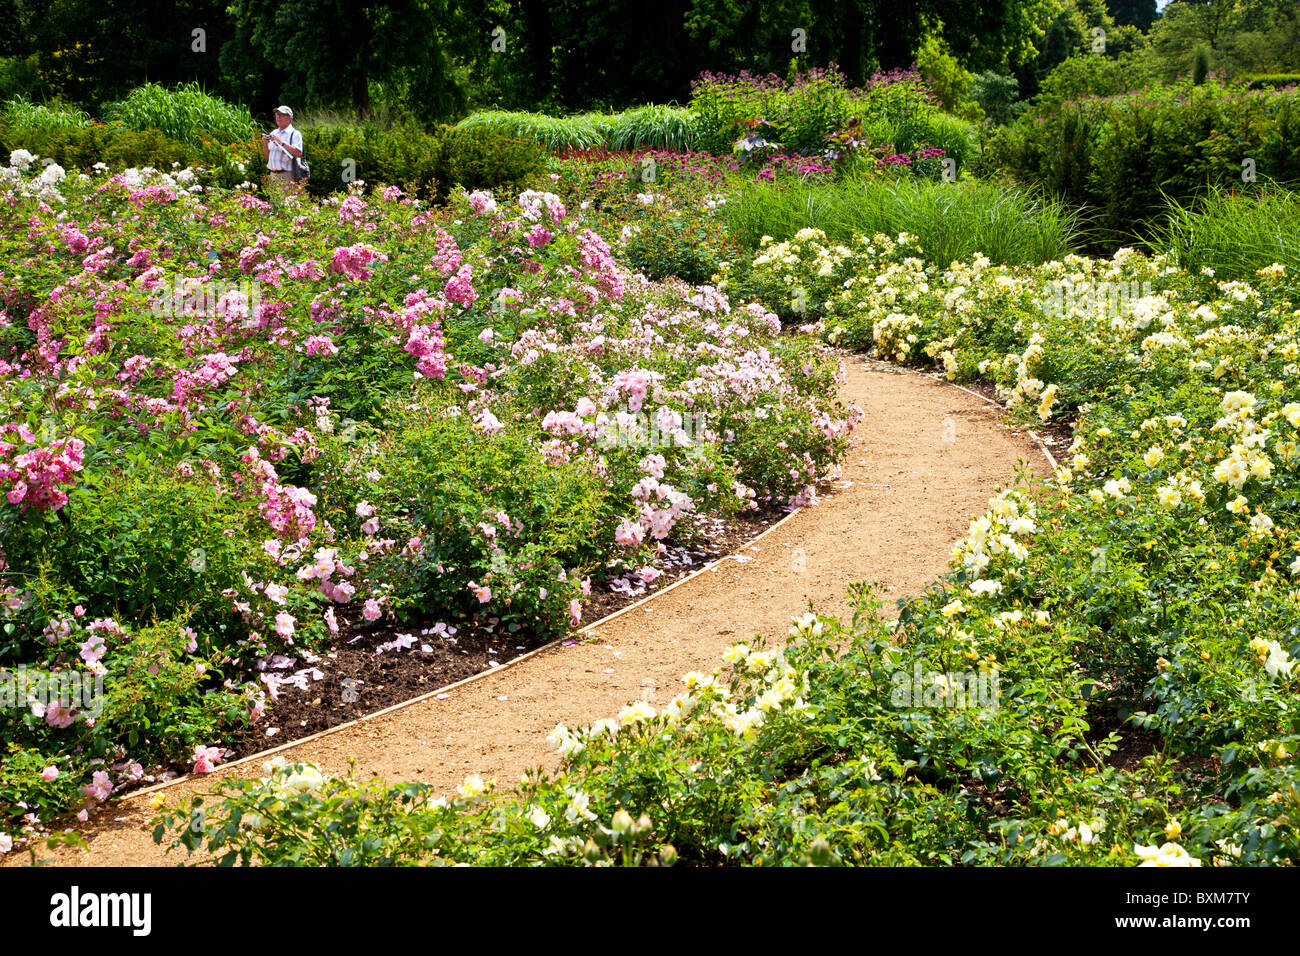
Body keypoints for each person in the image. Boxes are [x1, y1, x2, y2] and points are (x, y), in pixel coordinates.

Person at [261, 105, 304, 192]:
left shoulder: (294, 134)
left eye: (282, 115)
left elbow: (298, 153)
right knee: (273, 204)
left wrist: (281, 142)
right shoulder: (274, 132)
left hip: (287, 175)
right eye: (277, 114)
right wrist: (265, 144)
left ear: (289, 118)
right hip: (273, 175)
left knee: (287, 203)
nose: (278, 117)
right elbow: (266, 156)